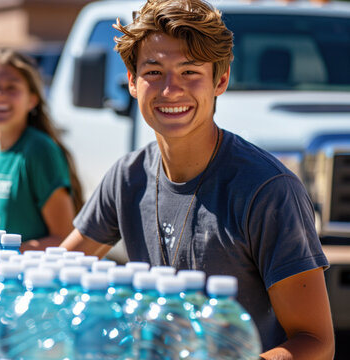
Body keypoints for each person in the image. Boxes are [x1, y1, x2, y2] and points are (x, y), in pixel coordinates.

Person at [60, 0, 334, 358]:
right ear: (131, 81)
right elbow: (61, 269)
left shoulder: (267, 190)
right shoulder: (127, 177)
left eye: (189, 72)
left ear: (220, 80)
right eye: (154, 72)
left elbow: (316, 342)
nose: (170, 89)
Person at [0, 48, 83, 251]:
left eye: (11, 88)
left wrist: (7, 253)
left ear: (32, 100)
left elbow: (63, 239)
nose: (0, 95)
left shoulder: (39, 150)